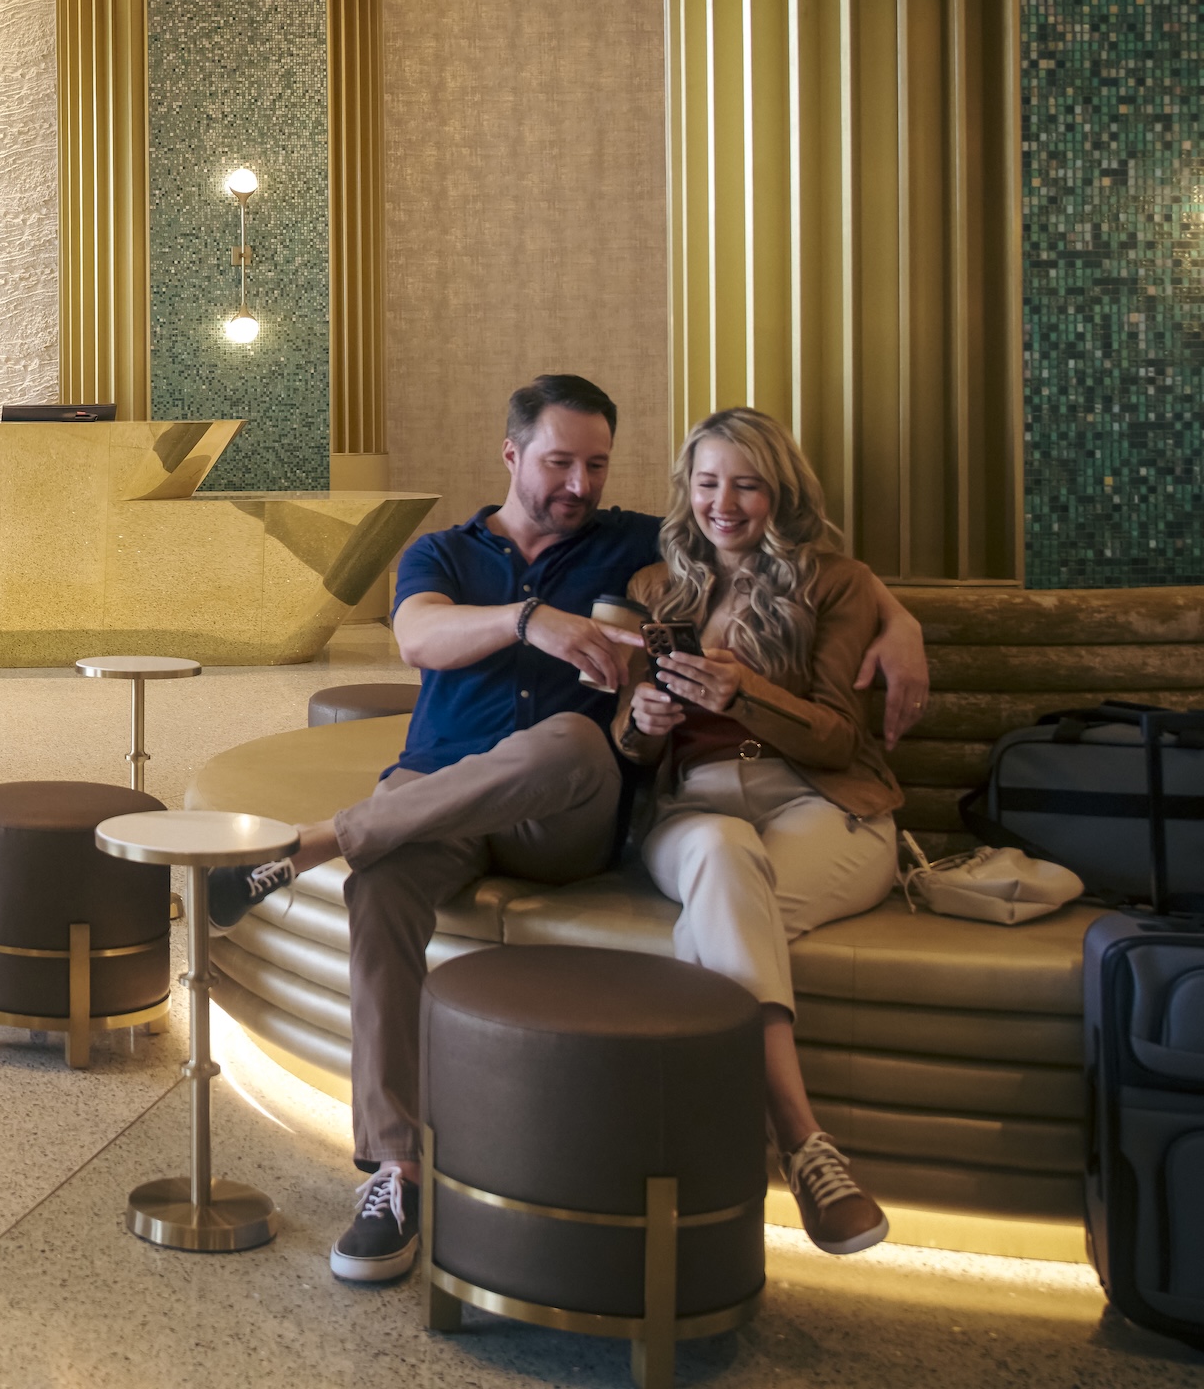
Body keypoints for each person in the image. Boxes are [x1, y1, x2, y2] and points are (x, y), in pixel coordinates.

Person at [201, 373, 933, 1285]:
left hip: (569, 815)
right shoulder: (442, 552)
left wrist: (898, 619)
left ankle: (309, 842)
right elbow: (418, 638)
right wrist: (527, 621)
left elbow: (767, 563)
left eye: (596, 465)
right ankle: (396, 1168)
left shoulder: (636, 546)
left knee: (572, 743)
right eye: (559, 462)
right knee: (381, 885)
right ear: (511, 455)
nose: (579, 485)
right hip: (443, 794)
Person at [614, 408, 902, 1254]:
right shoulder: (655, 589)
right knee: (720, 852)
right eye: (707, 483)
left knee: (729, 907)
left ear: (781, 492)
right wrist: (645, 715)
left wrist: (743, 693)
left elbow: (840, 737)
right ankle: (806, 1144)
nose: (724, 503)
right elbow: (625, 743)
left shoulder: (836, 583)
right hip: (695, 804)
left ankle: (740, 1150)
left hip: (823, 803)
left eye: (746, 484)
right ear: (686, 490)